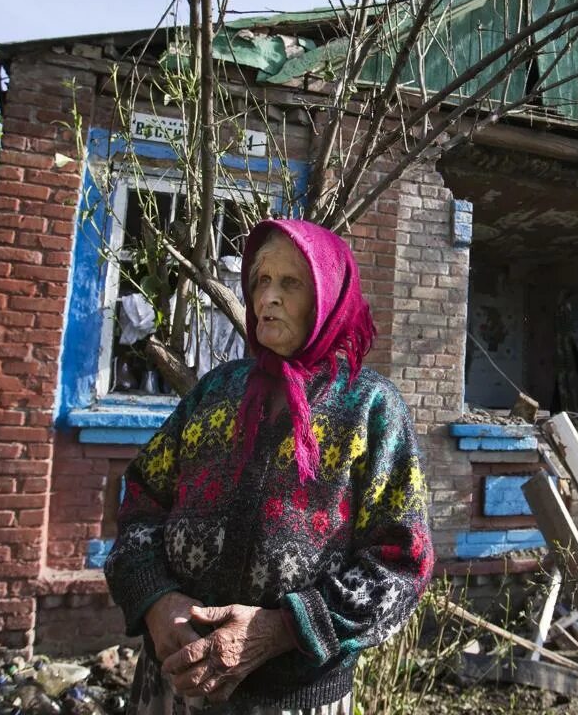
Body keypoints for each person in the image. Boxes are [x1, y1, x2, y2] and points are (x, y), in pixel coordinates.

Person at [105, 219, 434, 714]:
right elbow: (139, 498)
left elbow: (403, 562)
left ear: (327, 297)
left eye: (290, 283)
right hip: (171, 683)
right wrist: (156, 602)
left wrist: (279, 628)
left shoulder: (369, 408)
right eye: (262, 280)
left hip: (290, 697)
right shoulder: (216, 391)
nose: (268, 299)